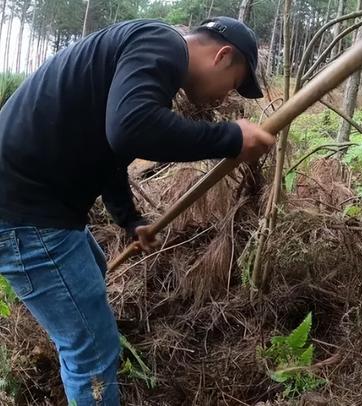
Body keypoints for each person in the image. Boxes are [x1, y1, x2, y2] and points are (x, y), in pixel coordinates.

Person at [0, 15, 275, 405]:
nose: (222, 98)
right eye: (232, 84)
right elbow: (130, 129)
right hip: (24, 216)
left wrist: (130, 220)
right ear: (222, 55)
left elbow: (112, 149)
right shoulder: (161, 44)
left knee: (91, 276)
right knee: (91, 351)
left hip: (33, 208)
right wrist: (231, 137)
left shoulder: (147, 54)